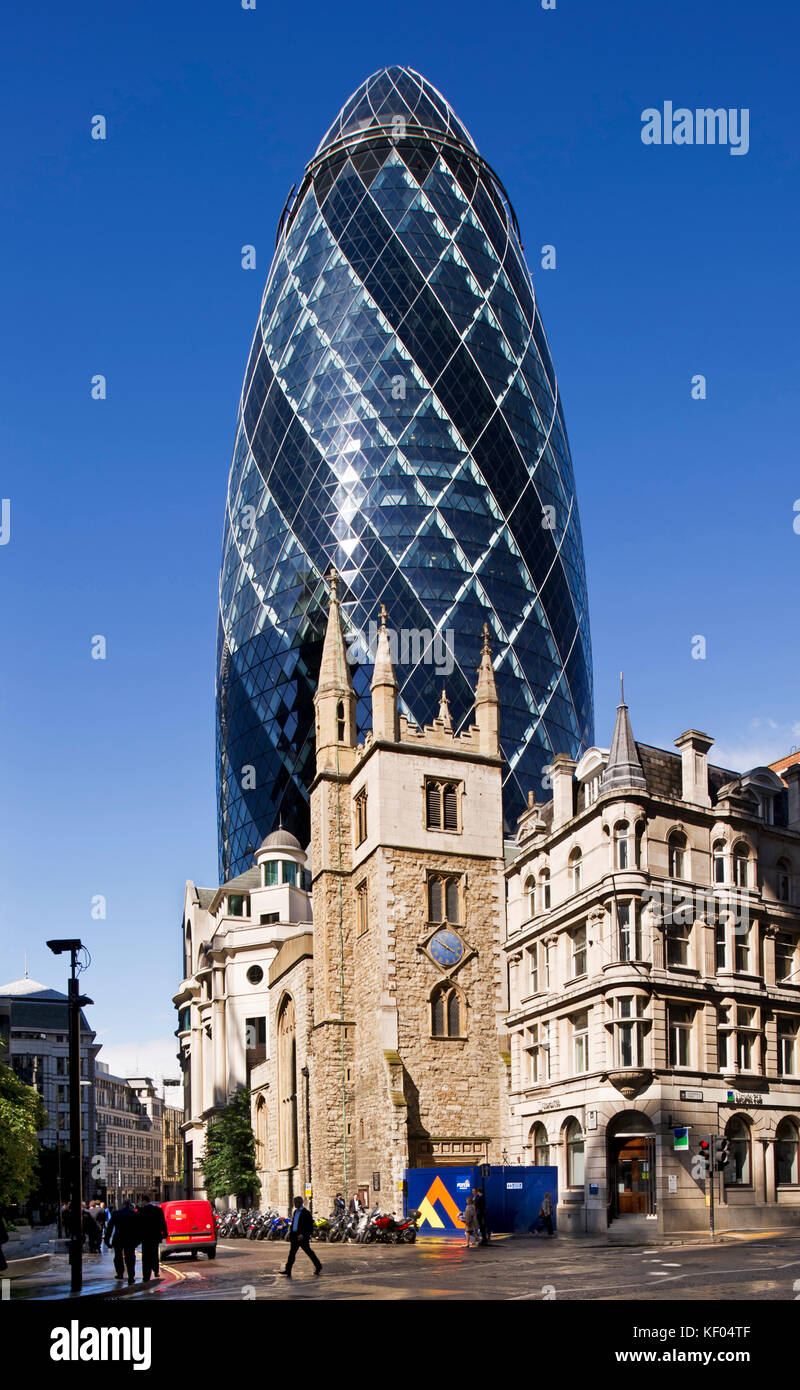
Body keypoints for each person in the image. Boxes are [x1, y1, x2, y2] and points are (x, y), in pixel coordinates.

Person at [282, 1197, 322, 1279]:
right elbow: (294, 1222)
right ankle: (288, 1269)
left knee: (309, 1252)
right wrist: (291, 1232)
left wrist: (303, 1234)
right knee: (292, 1253)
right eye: (294, 1202)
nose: (294, 1204)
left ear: (300, 1203)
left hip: (302, 1237)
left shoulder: (306, 1213)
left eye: (296, 1202)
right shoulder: (295, 1212)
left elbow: (310, 1226)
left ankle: (318, 1266)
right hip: (295, 1236)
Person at [105, 1199, 141, 1284]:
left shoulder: (116, 1213)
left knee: (118, 1257)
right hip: (130, 1239)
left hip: (118, 1239)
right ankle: (131, 1277)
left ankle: (120, 1274)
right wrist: (138, 1241)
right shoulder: (134, 1214)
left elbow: (109, 1229)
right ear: (130, 1205)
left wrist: (107, 1241)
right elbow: (139, 1229)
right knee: (130, 1258)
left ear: (123, 1204)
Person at [138, 1196, 168, 1282]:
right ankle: (156, 1270)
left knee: (146, 1256)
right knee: (154, 1254)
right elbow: (163, 1222)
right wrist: (164, 1233)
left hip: (145, 1237)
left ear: (144, 1201)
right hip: (155, 1236)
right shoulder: (157, 1210)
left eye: (142, 1201)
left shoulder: (142, 1211)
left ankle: (146, 1276)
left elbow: (138, 1225)